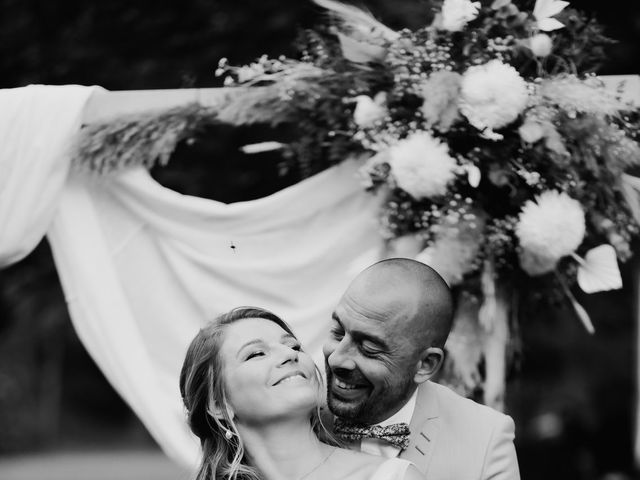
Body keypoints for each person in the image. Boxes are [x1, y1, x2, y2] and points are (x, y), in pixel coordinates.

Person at [323, 258, 521, 480]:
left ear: (425, 365)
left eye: (369, 348)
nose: (337, 359)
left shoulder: (486, 440)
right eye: (338, 332)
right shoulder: (298, 413)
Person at [179, 306, 424, 480]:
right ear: (218, 404)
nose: (290, 354)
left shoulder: (392, 476)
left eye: (293, 346)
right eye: (256, 353)